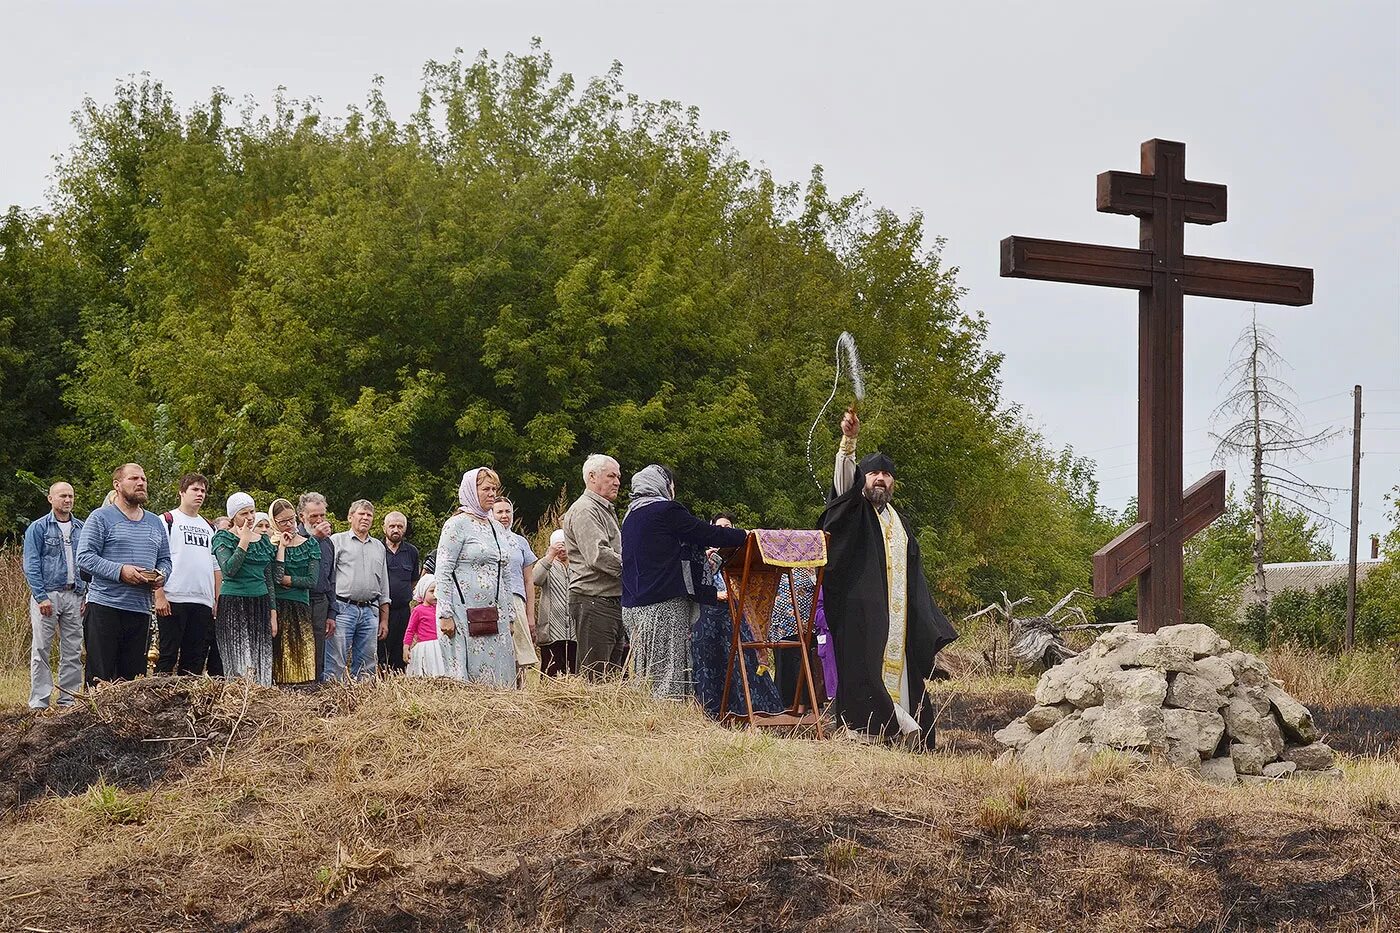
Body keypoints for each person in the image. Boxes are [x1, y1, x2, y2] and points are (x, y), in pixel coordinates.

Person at [818, 410, 958, 747]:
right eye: (873, 473)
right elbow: (843, 485)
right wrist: (848, 442)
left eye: (886, 474)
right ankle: (865, 735)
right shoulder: (853, 512)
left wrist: (926, 618)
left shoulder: (901, 522)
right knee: (864, 669)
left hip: (897, 620)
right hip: (860, 616)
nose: (880, 479)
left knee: (900, 673)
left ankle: (900, 734)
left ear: (893, 481)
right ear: (863, 478)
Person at [620, 465, 748, 700]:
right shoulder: (666, 510)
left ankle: (648, 715)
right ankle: (668, 719)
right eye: (671, 484)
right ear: (662, 484)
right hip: (663, 603)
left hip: (633, 605)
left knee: (647, 670)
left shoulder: (630, 516)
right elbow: (707, 534)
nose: (673, 490)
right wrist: (746, 535)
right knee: (670, 669)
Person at [75, 464, 172, 684]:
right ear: (117, 485)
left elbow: (165, 559)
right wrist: (121, 571)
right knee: (100, 679)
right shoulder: (101, 517)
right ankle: (96, 719)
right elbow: (84, 557)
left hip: (139, 609)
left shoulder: (155, 522)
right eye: (134, 478)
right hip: (105, 607)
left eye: (144, 479)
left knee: (132, 682)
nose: (141, 483)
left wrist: (162, 575)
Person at [690, 513, 784, 719]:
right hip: (708, 619)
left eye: (728, 527)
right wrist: (715, 592)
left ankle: (752, 711)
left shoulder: (740, 556)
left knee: (742, 662)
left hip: (735, 617)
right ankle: (712, 711)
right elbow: (695, 587)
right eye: (719, 527)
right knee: (712, 663)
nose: (724, 530)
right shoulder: (701, 555)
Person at [435, 468, 516, 685]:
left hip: (495, 613)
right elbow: (443, 570)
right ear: (471, 490)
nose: (492, 494)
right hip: (462, 614)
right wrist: (445, 613)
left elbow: (505, 574)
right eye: (486, 489)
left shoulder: (497, 527)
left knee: (499, 676)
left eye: (494, 489)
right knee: (469, 680)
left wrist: (509, 615)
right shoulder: (456, 524)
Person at [22, 481, 86, 710]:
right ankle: (39, 702)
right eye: (62, 496)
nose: (67, 500)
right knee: (41, 649)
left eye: (70, 496)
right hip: (48, 593)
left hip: (74, 594)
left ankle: (68, 701)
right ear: (50, 499)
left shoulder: (82, 527)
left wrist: (85, 594)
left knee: (73, 650)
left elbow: (87, 563)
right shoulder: (38, 528)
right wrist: (41, 597)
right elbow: (31, 564)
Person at [562, 454, 627, 679]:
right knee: (594, 676)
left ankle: (609, 714)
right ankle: (589, 715)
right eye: (611, 476)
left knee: (611, 676)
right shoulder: (585, 509)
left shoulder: (603, 509)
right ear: (591, 477)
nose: (617, 482)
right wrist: (634, 570)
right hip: (594, 599)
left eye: (618, 476)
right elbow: (597, 555)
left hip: (608, 599)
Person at [153, 473, 220, 675]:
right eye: (195, 489)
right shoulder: (167, 520)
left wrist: (217, 599)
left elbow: (216, 565)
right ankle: (160, 700)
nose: (200, 494)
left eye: (203, 491)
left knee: (195, 657)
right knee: (167, 654)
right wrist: (159, 595)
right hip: (174, 597)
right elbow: (155, 558)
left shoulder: (210, 527)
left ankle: (187, 702)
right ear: (182, 492)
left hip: (202, 600)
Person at [211, 493, 281, 686]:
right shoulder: (223, 537)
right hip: (234, 601)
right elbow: (229, 569)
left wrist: (273, 613)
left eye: (252, 512)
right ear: (233, 516)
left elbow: (268, 579)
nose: (250, 517)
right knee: (239, 662)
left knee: (262, 661)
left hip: (260, 602)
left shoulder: (264, 541)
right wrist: (244, 540)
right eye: (244, 513)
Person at [331, 500, 391, 680]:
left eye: (369, 515)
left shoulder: (379, 547)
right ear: (350, 517)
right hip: (342, 609)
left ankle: (364, 703)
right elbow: (328, 579)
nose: (365, 518)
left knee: (367, 665)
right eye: (361, 514)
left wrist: (384, 620)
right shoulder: (337, 541)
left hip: (370, 611)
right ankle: (334, 700)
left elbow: (384, 586)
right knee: (336, 661)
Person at [269, 497, 319, 685]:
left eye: (292, 519)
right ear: (275, 523)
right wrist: (281, 547)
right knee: (278, 657)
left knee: (302, 656)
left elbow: (312, 580)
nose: (289, 525)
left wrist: (286, 580)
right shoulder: (270, 544)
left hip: (300, 606)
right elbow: (273, 578)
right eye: (283, 522)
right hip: (276, 604)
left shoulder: (310, 544)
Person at [493, 497, 540, 685]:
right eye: (499, 512)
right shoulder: (487, 539)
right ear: (492, 514)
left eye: (507, 511)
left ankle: (518, 694)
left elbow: (529, 581)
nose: (504, 516)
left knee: (518, 653)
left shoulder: (520, 542)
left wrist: (530, 617)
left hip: (516, 600)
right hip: (494, 601)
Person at [296, 492, 338, 681]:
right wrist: (314, 538)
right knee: (298, 650)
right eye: (314, 516)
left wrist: (332, 613)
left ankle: (315, 691)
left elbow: (331, 579)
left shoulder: (329, 543)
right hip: (298, 600)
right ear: (301, 516)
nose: (319, 520)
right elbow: (296, 562)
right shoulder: (293, 538)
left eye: (322, 515)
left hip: (321, 602)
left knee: (318, 652)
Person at [378, 510, 419, 674]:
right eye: (392, 526)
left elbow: (414, 580)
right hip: (380, 611)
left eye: (400, 526)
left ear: (405, 528)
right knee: (381, 652)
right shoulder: (376, 548)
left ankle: (399, 685)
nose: (396, 530)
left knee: (400, 652)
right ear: (384, 528)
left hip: (403, 611)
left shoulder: (412, 552)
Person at [532, 529, 576, 676]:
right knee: (551, 670)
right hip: (551, 631)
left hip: (575, 631)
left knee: (574, 671)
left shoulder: (577, 564)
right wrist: (550, 556)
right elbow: (535, 579)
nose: (562, 549)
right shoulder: (545, 564)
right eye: (558, 545)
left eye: (565, 544)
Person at [403, 573, 445, 677]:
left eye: (438, 591)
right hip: (426, 647)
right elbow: (410, 630)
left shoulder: (442, 610)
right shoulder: (418, 610)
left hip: (440, 646)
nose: (435, 595)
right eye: (432, 591)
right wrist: (406, 647)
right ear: (423, 592)